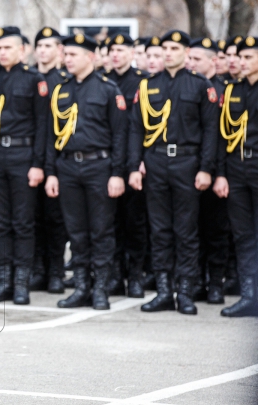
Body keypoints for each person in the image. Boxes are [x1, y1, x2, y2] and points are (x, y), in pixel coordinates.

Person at [128, 30, 219, 315]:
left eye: (173, 48)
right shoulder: (148, 85)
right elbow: (135, 128)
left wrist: (206, 168)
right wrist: (135, 164)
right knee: (160, 230)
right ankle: (165, 291)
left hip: (187, 163)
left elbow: (210, 132)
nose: (167, 52)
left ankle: (186, 292)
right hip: (155, 162)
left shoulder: (200, 86)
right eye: (164, 47)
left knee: (186, 231)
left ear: (185, 52)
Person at [45, 34, 127, 310]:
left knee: (101, 230)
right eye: (65, 54)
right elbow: (50, 134)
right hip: (68, 166)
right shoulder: (62, 89)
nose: (67, 59)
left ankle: (101, 288)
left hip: (99, 167)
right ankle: (81, 287)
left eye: (72, 55)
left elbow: (120, 135)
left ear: (90, 57)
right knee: (76, 231)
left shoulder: (107, 89)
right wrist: (52, 171)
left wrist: (117, 173)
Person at [0, 26, 48, 306]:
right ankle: (4, 281)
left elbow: (43, 125)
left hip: (23, 154)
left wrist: (38, 164)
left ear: (22, 50)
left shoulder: (33, 79)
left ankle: (21, 285)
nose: (2, 53)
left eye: (8, 48)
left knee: (23, 223)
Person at [213, 35, 258, 317]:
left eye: (248, 57)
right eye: (240, 57)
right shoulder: (232, 91)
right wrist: (220, 173)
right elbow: (220, 135)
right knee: (243, 235)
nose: (241, 62)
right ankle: (250, 296)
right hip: (238, 168)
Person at [104, 33, 149, 299]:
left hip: (133, 163)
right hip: (108, 163)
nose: (116, 54)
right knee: (111, 224)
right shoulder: (104, 81)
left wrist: (137, 162)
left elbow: (140, 127)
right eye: (113, 50)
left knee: (135, 223)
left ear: (132, 52)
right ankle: (116, 276)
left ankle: (136, 277)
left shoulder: (142, 82)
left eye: (121, 49)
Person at [187, 37, 229, 304]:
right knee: (194, 228)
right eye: (189, 58)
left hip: (218, 169)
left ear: (213, 61)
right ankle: (197, 281)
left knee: (216, 230)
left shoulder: (225, 90)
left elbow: (223, 135)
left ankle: (215, 283)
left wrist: (218, 171)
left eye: (196, 59)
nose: (191, 63)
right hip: (192, 167)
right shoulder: (190, 86)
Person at [31, 26, 69, 294]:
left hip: (56, 158)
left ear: (59, 50)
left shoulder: (65, 81)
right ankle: (39, 270)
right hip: (30, 156)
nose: (43, 51)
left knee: (56, 219)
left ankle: (56, 271)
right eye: (40, 46)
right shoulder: (30, 78)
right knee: (33, 218)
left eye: (48, 46)